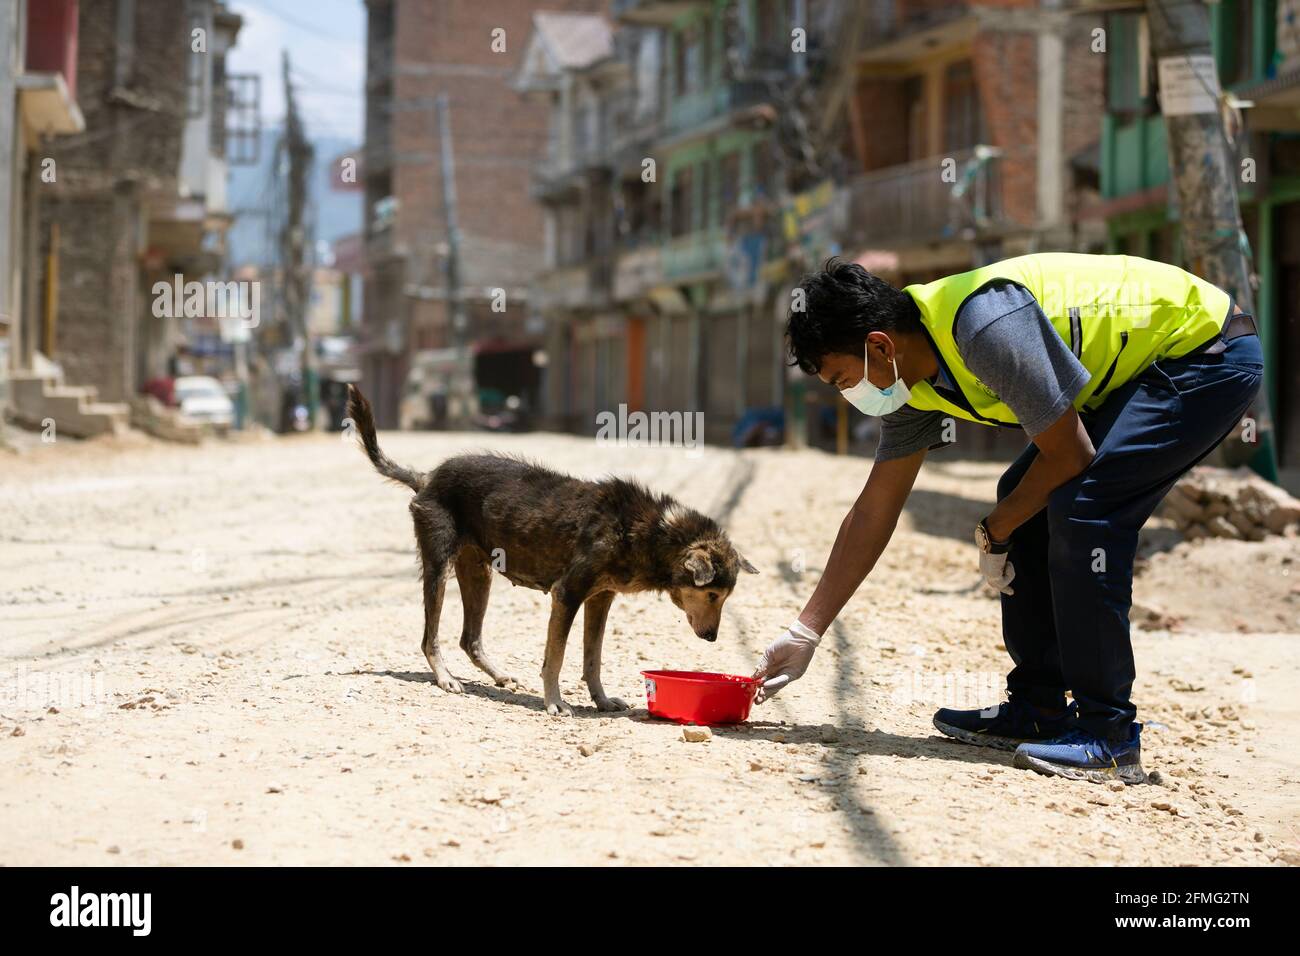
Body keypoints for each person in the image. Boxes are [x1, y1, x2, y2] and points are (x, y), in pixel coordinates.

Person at [752, 253, 1263, 784]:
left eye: (841, 379)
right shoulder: (910, 387)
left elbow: (1072, 457)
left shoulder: (983, 328)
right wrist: (805, 631)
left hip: (1204, 351)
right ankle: (1039, 709)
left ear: (880, 345)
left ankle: (1110, 737)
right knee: (1022, 495)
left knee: (1083, 508)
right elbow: (875, 508)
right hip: (1140, 371)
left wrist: (994, 530)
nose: (846, 394)